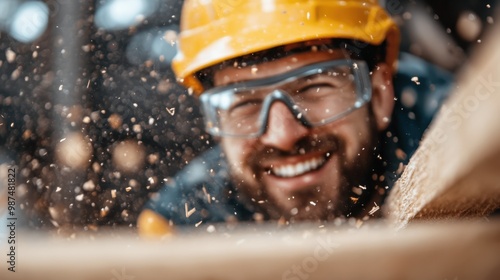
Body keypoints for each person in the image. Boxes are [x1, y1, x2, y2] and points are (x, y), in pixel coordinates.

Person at [138, 0, 452, 234]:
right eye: (244, 104)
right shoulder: (184, 223)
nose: (282, 135)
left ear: (381, 94)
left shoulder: (460, 132)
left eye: (314, 87)